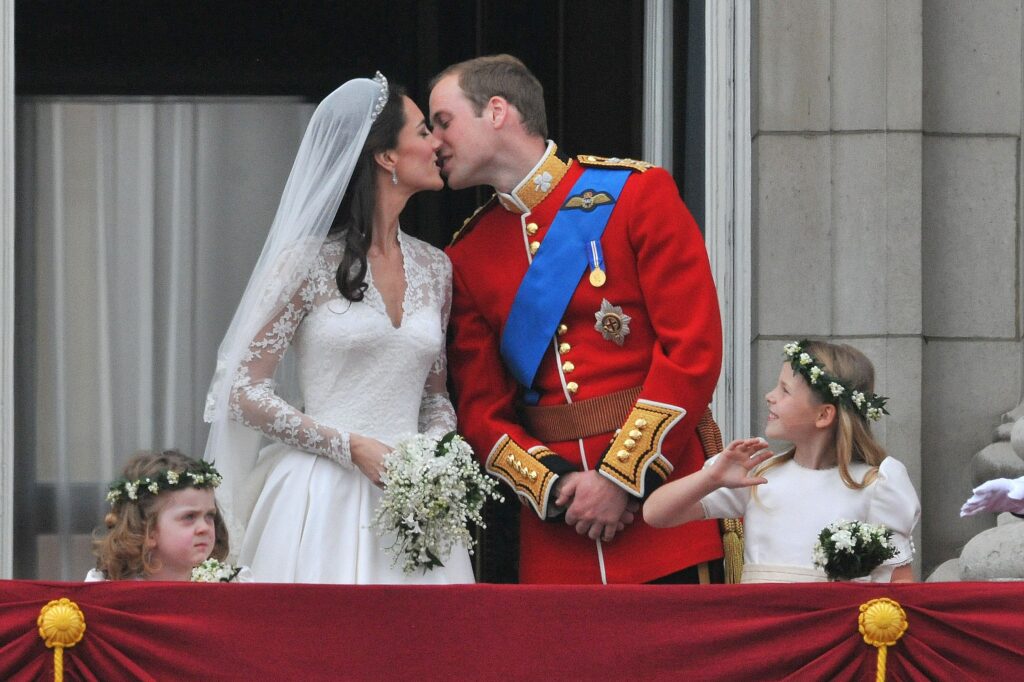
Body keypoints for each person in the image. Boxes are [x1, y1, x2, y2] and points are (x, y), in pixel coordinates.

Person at [430, 54, 724, 584]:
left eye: (443, 122)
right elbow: (480, 410)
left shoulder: (636, 194)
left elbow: (692, 349)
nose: (433, 142)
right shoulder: (467, 255)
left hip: (664, 504)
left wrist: (620, 477)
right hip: (559, 534)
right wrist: (556, 487)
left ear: (497, 111)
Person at [203, 74, 474, 584]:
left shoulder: (436, 268)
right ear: (386, 156)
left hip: (414, 502)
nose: (437, 142)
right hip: (319, 494)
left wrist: (435, 457)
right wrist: (349, 446)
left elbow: (434, 397)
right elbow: (242, 391)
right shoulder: (305, 263)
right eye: (422, 131)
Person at [644, 340, 921, 583]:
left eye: (785, 390)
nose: (770, 396)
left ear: (824, 415)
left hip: (835, 636)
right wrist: (711, 478)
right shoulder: (759, 475)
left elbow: (899, 582)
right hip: (761, 631)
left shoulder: (875, 484)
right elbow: (656, 514)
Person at [88, 449, 252, 582]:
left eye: (210, 516)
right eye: (189, 517)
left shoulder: (233, 584)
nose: (204, 528)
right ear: (147, 529)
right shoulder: (108, 589)